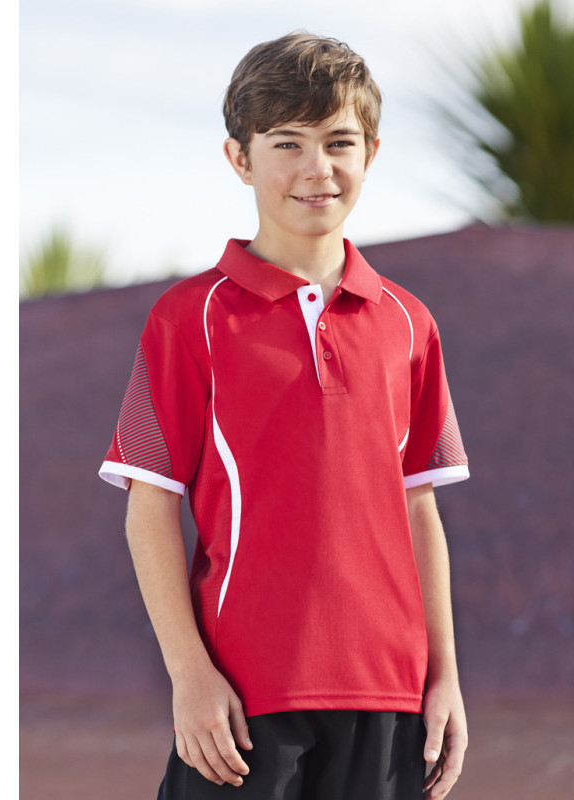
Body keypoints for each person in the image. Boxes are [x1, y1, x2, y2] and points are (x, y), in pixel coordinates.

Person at [99, 31, 470, 800]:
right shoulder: (190, 318)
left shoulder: (410, 323)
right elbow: (150, 505)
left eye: (338, 142)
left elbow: (418, 507)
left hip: (390, 694)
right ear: (240, 158)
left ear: (371, 151)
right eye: (287, 144)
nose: (316, 168)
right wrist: (190, 675)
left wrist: (446, 677)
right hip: (243, 698)